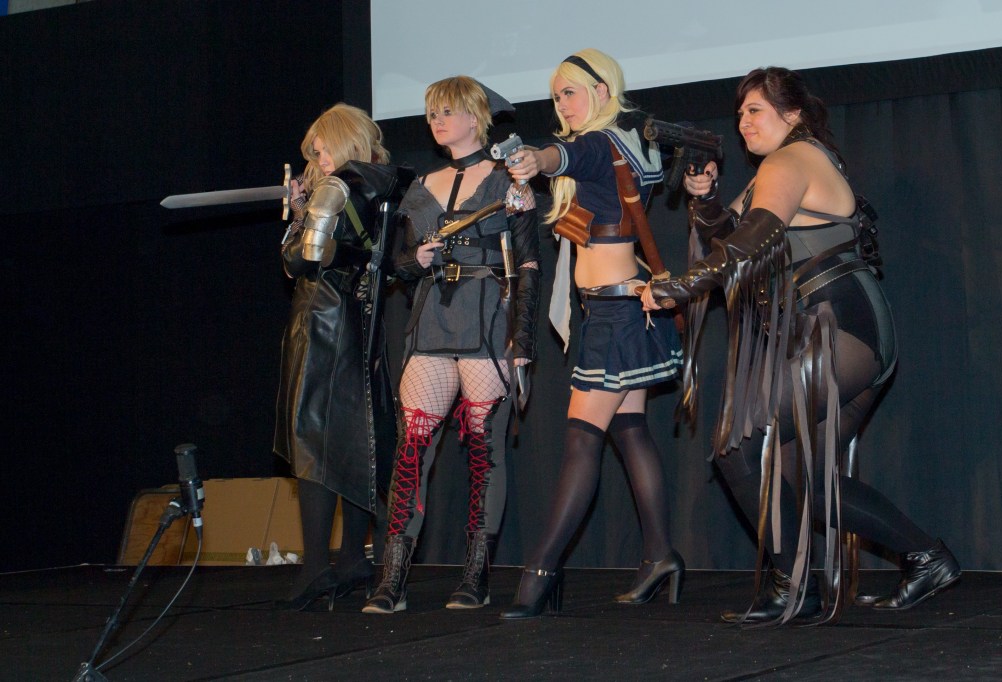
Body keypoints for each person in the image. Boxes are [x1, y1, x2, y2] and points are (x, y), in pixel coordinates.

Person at [640, 66, 961, 625]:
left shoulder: (789, 161)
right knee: (800, 478)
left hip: (839, 327)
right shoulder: (786, 165)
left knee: (739, 448)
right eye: (739, 113)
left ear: (792, 114)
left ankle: (792, 587)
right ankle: (926, 558)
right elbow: (728, 239)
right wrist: (705, 198)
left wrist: (677, 288)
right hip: (851, 330)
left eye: (755, 110)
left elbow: (748, 244)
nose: (743, 122)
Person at [499, 48, 686, 620]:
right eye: (556, 96)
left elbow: (563, 155)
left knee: (582, 439)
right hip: (618, 307)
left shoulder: (602, 143)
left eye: (570, 92)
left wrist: (537, 159)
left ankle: (540, 571)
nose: (561, 104)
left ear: (603, 91)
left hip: (615, 314)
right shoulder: (624, 142)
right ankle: (659, 555)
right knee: (629, 431)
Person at [362, 76, 540, 614]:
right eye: (432, 113)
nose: (436, 121)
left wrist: (523, 339)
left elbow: (529, 264)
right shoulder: (422, 185)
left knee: (484, 451)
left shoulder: (510, 179)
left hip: (487, 318)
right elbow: (398, 263)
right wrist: (413, 261)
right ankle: (391, 580)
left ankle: (475, 578)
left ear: (475, 116)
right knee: (411, 448)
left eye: (447, 111)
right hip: (432, 320)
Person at [273, 103, 413, 610]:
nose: (318, 159)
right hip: (360, 322)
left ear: (345, 141)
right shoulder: (385, 185)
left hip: (323, 321)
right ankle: (353, 558)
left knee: (313, 440)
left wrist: (297, 213)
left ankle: (316, 568)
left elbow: (299, 260)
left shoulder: (336, 188)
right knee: (359, 438)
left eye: (323, 149)